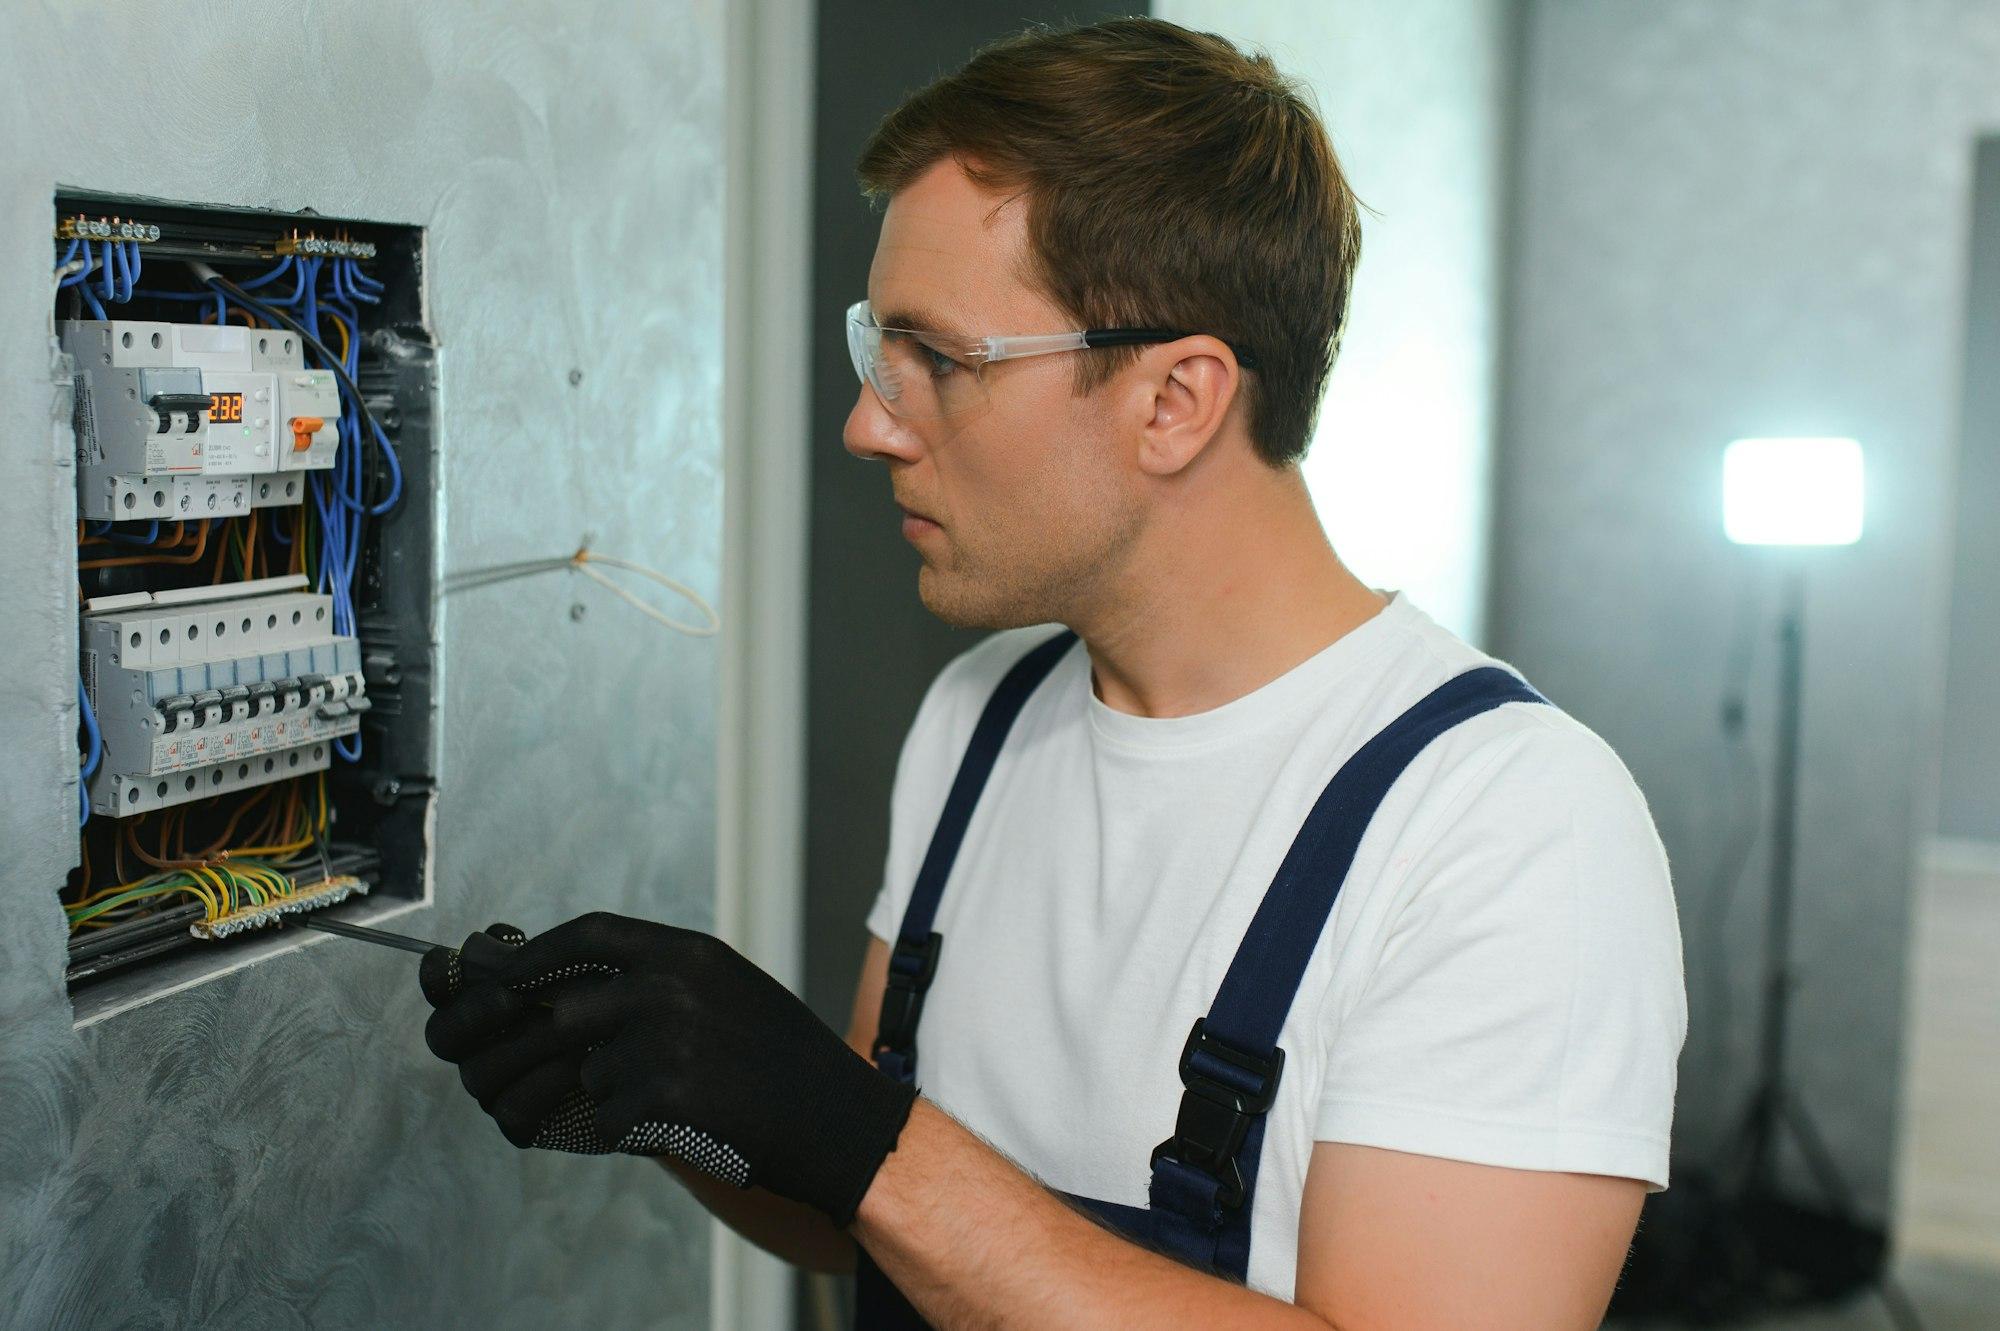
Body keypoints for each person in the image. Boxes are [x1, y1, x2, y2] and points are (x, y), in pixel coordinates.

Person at [420, 17, 1685, 1329]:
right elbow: (871, 1224)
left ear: (1176, 401)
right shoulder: (981, 717)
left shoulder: (1507, 827)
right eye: (877, 351)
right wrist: (675, 1095)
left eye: (942, 362)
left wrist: (859, 1132)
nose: (867, 422)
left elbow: (887, 1168)